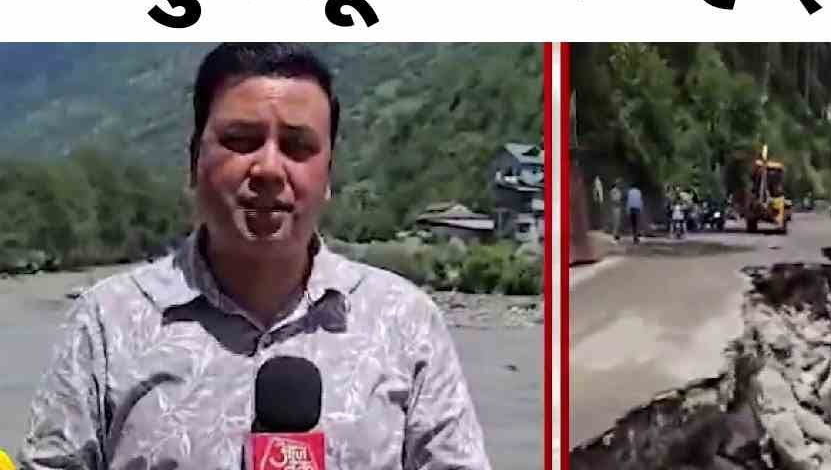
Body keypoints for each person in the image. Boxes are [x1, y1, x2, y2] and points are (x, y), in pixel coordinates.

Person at [20, 43, 491, 470]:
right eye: (241, 140)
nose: (268, 168)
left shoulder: (405, 322)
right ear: (194, 161)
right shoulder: (107, 323)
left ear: (327, 175)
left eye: (298, 146)